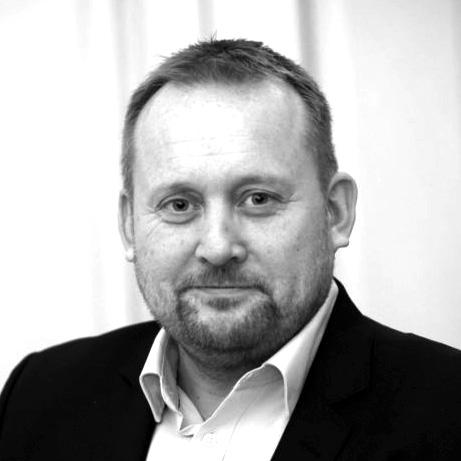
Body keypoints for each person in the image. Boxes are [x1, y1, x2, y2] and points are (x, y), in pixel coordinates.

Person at [1, 38, 460, 461]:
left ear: (335, 213)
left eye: (258, 199)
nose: (218, 247)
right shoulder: (39, 397)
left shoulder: (448, 411)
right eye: (179, 205)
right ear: (129, 225)